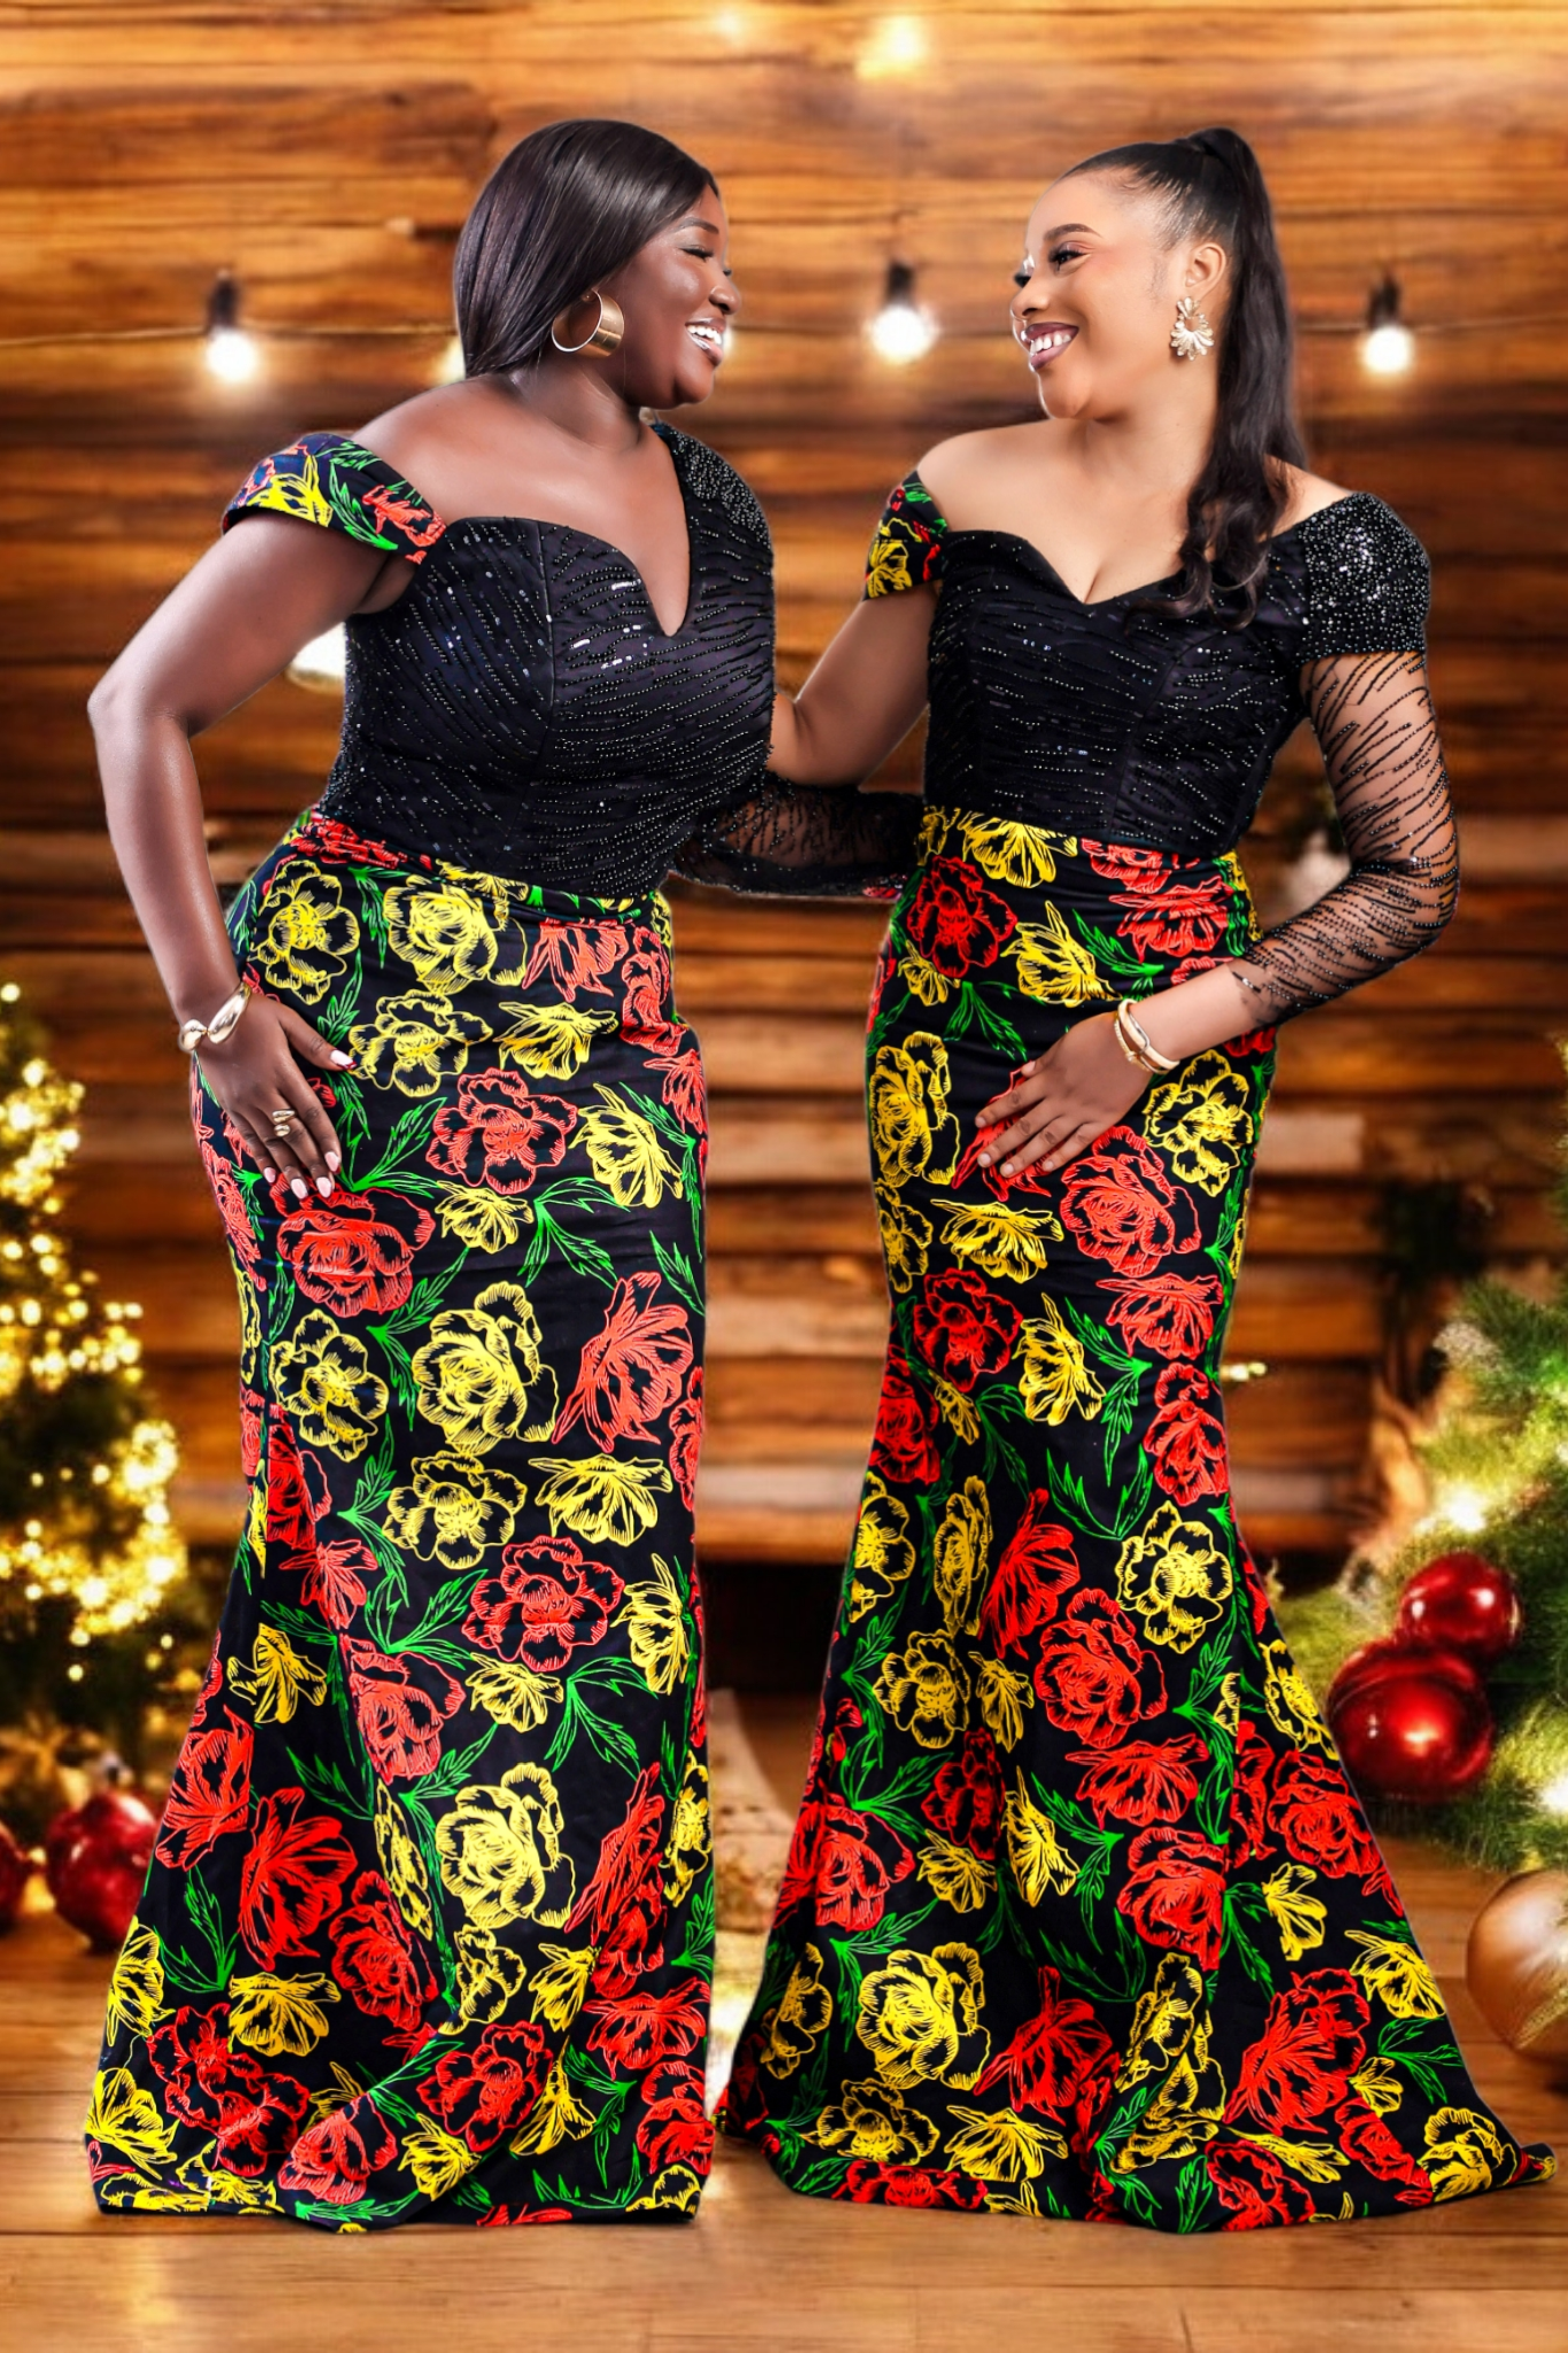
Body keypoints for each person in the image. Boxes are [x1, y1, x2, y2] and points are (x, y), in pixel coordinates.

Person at [83, 117, 912, 2232]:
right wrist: (208, 1009)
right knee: (413, 1549)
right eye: (705, 255)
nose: (734, 290)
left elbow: (719, 813)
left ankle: (492, 2053)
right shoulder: (394, 466)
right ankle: (423, 2047)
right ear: (584, 277)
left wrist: (1012, 857)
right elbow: (140, 706)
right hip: (349, 1039)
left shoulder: (719, 506)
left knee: (602, 1551)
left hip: (609, 1053)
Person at [723, 127, 1555, 2228]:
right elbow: (822, 767)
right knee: (959, 1503)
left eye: (1063, 256)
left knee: (1119, 1515)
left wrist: (1150, 1029)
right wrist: (591, 709)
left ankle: (1179, 2030)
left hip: (1156, 1069)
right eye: (1017, 264)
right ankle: (932, 2044)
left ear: (1199, 281)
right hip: (955, 1050)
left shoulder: (1332, 543)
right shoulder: (959, 488)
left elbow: (1410, 875)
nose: (1028, 292)